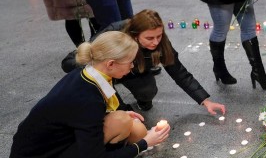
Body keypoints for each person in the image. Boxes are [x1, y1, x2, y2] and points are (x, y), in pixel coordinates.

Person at [8, 31, 170, 158]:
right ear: (111, 64)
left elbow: (77, 118)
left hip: (40, 154)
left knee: (123, 121)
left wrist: (114, 117)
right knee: (118, 126)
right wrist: (144, 143)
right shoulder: (88, 100)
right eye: (130, 62)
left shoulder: (87, 74)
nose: (132, 66)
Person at [65, 9, 230, 111]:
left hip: (135, 72)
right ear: (135, 36)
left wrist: (204, 100)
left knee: (148, 92)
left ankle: (141, 102)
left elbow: (179, 72)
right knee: (113, 107)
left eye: (159, 36)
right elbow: (70, 61)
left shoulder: (160, 43)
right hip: (107, 74)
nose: (156, 42)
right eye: (149, 38)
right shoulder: (114, 34)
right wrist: (96, 64)